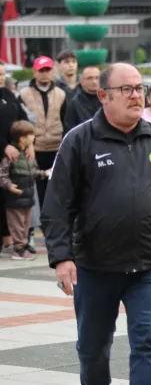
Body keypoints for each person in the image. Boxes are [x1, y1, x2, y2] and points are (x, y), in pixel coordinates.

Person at [42, 62, 151, 385]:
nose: (137, 96)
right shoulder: (79, 141)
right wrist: (61, 257)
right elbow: (57, 205)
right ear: (103, 96)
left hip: (147, 265)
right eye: (127, 89)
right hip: (94, 267)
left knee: (148, 343)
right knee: (93, 348)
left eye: (140, 88)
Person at [18, 56, 66, 212]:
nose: (44, 74)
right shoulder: (23, 94)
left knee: (56, 188)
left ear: (52, 71)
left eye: (47, 70)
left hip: (56, 148)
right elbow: (20, 123)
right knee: (35, 189)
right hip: (34, 149)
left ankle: (53, 221)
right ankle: (37, 224)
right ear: (35, 72)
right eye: (41, 70)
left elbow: (66, 121)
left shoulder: (61, 94)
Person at [0, 120, 49, 260]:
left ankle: (24, 244)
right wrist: (9, 186)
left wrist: (45, 173)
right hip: (14, 198)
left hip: (28, 196)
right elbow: (2, 174)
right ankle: (19, 248)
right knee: (16, 224)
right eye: (31, 135)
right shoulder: (10, 156)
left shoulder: (28, 156)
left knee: (26, 223)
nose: (34, 138)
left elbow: (33, 172)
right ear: (22, 138)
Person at [0, 64, 31, 259]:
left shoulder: (8, 94)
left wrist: (30, 142)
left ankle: (10, 240)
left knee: (9, 200)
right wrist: (4, 145)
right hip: (5, 151)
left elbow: (23, 119)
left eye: (3, 73)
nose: (1, 77)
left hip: (11, 158)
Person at [63, 66, 101, 131]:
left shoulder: (107, 100)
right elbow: (70, 130)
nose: (94, 81)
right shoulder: (75, 103)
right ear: (82, 81)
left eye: (97, 78)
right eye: (90, 78)